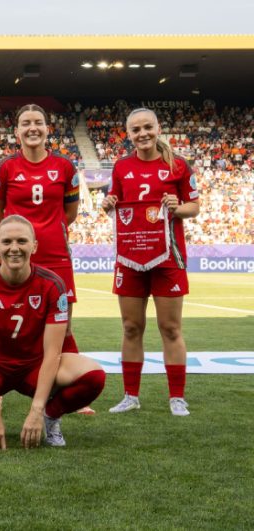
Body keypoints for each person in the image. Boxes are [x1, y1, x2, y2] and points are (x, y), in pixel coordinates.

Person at [0, 216, 105, 450]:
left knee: (94, 376)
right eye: (7, 242)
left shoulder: (53, 284)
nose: (14, 248)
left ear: (34, 246)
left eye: (22, 241)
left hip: (37, 366)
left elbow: (53, 353)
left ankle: (51, 417)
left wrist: (38, 410)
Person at [0, 103, 95, 415]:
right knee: (3, 324)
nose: (32, 128)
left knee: (64, 326)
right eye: (25, 123)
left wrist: (45, 236)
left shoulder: (65, 167)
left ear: (47, 128)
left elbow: (70, 213)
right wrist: (19, 244)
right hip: (15, 259)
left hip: (56, 257)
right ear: (16, 131)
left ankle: (70, 393)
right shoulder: (5, 168)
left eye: (38, 122)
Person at [101, 108, 200, 417]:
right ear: (128, 134)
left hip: (168, 257)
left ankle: (177, 397)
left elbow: (194, 207)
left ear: (158, 128)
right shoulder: (121, 167)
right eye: (135, 129)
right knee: (131, 327)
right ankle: (131, 395)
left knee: (170, 328)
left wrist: (178, 207)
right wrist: (107, 204)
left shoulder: (179, 165)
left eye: (147, 127)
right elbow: (116, 205)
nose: (142, 134)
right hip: (130, 256)